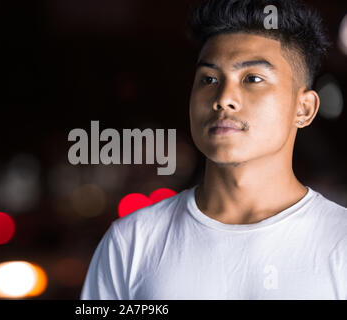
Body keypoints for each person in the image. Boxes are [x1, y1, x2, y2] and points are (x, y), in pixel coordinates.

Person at [80, 0, 347, 299]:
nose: (224, 98)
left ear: (304, 108)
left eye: (252, 79)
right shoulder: (132, 242)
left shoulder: (340, 243)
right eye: (209, 79)